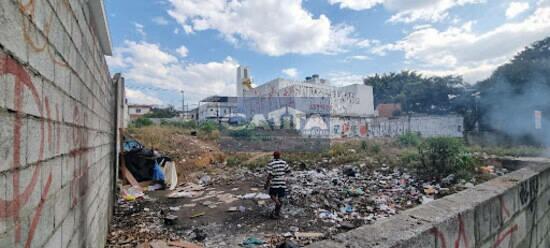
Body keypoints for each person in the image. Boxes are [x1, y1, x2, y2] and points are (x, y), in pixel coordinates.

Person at [264, 151, 290, 219]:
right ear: (280, 156)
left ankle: (277, 204)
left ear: (274, 156)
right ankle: (276, 214)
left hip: (275, 182)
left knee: (272, 195)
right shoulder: (284, 162)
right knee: (280, 198)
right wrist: (284, 177)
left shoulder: (271, 163)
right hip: (282, 182)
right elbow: (288, 171)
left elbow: (270, 175)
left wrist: (266, 184)